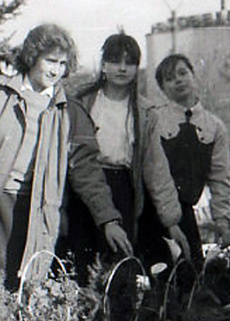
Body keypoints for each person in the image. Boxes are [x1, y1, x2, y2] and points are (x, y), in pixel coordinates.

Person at [0, 23, 133, 301]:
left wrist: (108, 219)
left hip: (31, 214)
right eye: (50, 60)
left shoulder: (69, 112)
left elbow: (88, 173)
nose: (55, 70)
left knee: (11, 296)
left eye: (62, 63)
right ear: (32, 56)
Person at [62, 32, 189, 282]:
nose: (122, 68)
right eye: (115, 61)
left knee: (117, 270)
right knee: (82, 266)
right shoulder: (82, 102)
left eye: (129, 62)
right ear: (104, 65)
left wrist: (172, 221)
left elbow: (156, 168)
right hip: (83, 189)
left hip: (123, 191)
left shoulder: (145, 112)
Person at [143, 54, 230, 271]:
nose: (179, 81)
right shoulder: (154, 119)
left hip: (185, 215)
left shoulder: (214, 126)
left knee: (192, 278)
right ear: (162, 89)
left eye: (183, 73)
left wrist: (222, 219)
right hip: (152, 212)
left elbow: (220, 178)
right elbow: (153, 169)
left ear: (194, 76)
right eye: (169, 78)